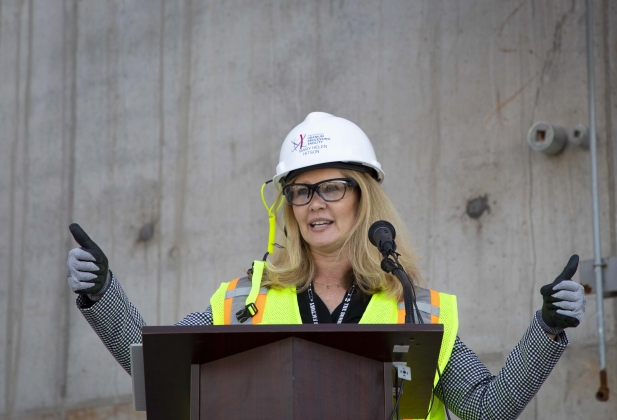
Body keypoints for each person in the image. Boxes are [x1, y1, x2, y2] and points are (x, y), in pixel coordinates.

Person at [67, 112, 586, 420]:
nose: (316, 204)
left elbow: (484, 411)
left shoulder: (416, 308)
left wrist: (547, 329)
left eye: (332, 187)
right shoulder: (245, 300)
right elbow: (158, 369)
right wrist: (101, 293)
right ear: (287, 206)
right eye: (301, 191)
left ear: (364, 199)